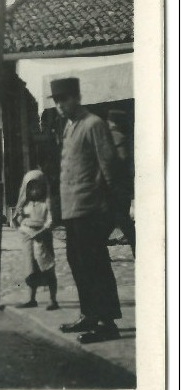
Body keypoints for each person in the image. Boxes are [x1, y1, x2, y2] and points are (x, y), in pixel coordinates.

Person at [50, 77, 122, 344]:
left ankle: (107, 322)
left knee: (95, 264)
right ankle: (89, 314)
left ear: (76, 97)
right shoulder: (69, 126)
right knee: (78, 262)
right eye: (56, 101)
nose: (59, 105)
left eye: (64, 99)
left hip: (91, 207)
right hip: (73, 208)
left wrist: (112, 207)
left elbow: (109, 166)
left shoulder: (93, 124)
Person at [11, 170, 59, 311]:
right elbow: (16, 221)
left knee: (47, 268)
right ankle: (31, 298)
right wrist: (17, 220)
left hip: (42, 239)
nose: (35, 191)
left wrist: (42, 231)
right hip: (27, 239)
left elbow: (51, 221)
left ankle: (53, 299)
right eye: (31, 188)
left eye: (38, 187)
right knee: (30, 269)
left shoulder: (46, 203)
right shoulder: (25, 205)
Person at [107, 109, 136, 256]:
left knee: (121, 220)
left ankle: (138, 249)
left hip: (117, 188)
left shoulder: (116, 137)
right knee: (113, 220)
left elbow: (120, 159)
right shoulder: (123, 137)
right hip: (121, 187)